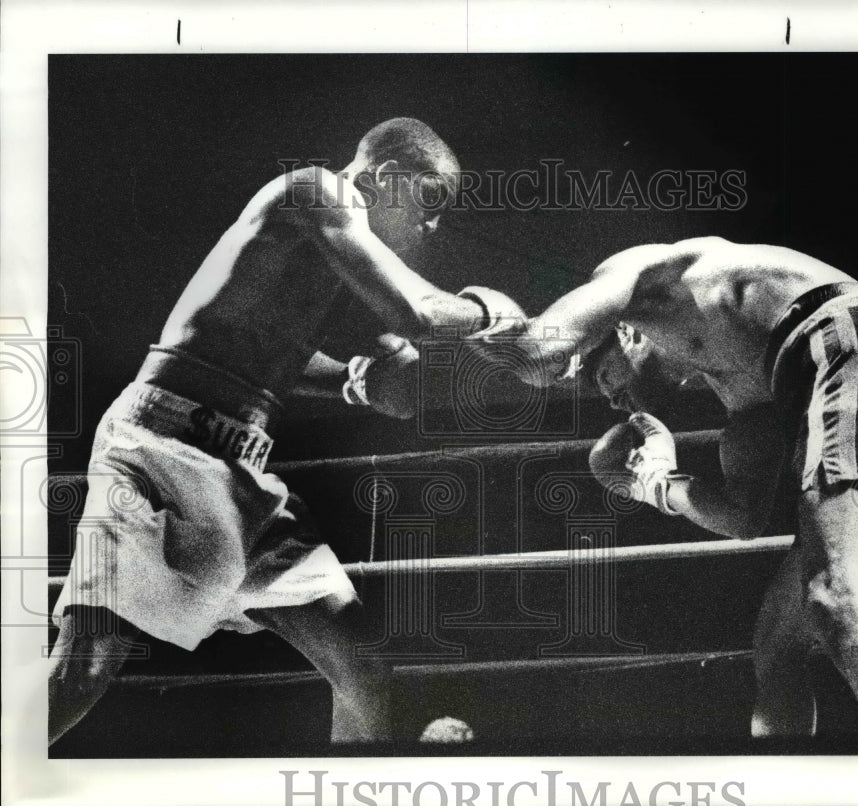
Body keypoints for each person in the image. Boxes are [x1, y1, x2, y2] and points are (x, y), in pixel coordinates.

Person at [49, 117, 525, 746]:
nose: (433, 226)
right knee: (83, 671)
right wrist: (495, 315)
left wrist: (361, 380)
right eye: (430, 202)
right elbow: (415, 312)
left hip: (243, 473)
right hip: (162, 445)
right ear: (387, 177)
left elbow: (293, 360)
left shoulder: (331, 263)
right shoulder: (312, 193)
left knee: (366, 673)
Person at [468, 237, 858, 738]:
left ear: (627, 334)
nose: (611, 399)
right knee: (778, 643)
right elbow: (742, 516)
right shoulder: (739, 383)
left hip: (844, 337)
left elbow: (537, 349)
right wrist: (658, 483)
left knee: (840, 600)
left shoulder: (648, 278)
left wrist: (470, 316)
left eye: (604, 374)